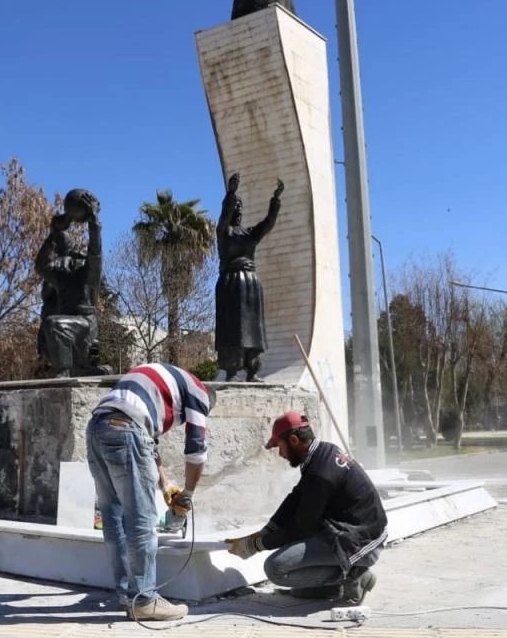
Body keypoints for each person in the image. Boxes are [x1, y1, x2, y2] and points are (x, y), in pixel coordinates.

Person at [86, 363, 215, 621]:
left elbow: (147, 441)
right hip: (124, 427)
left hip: (97, 427)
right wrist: (187, 495)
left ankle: (126, 594)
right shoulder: (199, 392)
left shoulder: (156, 379)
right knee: (141, 519)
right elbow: (196, 450)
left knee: (114, 516)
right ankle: (144, 599)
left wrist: (165, 485)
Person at [226, 411, 387, 603]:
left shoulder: (321, 473)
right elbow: (296, 498)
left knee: (276, 568)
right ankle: (328, 589)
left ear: (293, 440)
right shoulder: (322, 453)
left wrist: (256, 545)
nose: (280, 453)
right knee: (284, 540)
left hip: (361, 541)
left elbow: (301, 526)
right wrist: (264, 531)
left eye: (280, 446)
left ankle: (354, 577)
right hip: (352, 531)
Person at [215, 172, 283, 381]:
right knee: (231, 329)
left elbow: (268, 223)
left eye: (239, 207)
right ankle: (232, 370)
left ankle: (252, 368)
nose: (237, 210)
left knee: (252, 330)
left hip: (251, 285)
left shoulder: (251, 234)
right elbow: (224, 219)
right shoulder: (224, 232)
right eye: (235, 207)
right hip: (230, 283)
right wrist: (230, 194)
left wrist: (275, 199)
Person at [35, 189, 103, 376]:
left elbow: (95, 251)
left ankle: (62, 373)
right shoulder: (62, 275)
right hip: (69, 322)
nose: (72, 259)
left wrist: (93, 219)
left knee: (54, 325)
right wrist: (53, 232)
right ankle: (76, 367)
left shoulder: (90, 274)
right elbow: (41, 266)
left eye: (78, 256)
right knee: (49, 327)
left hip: (85, 323)